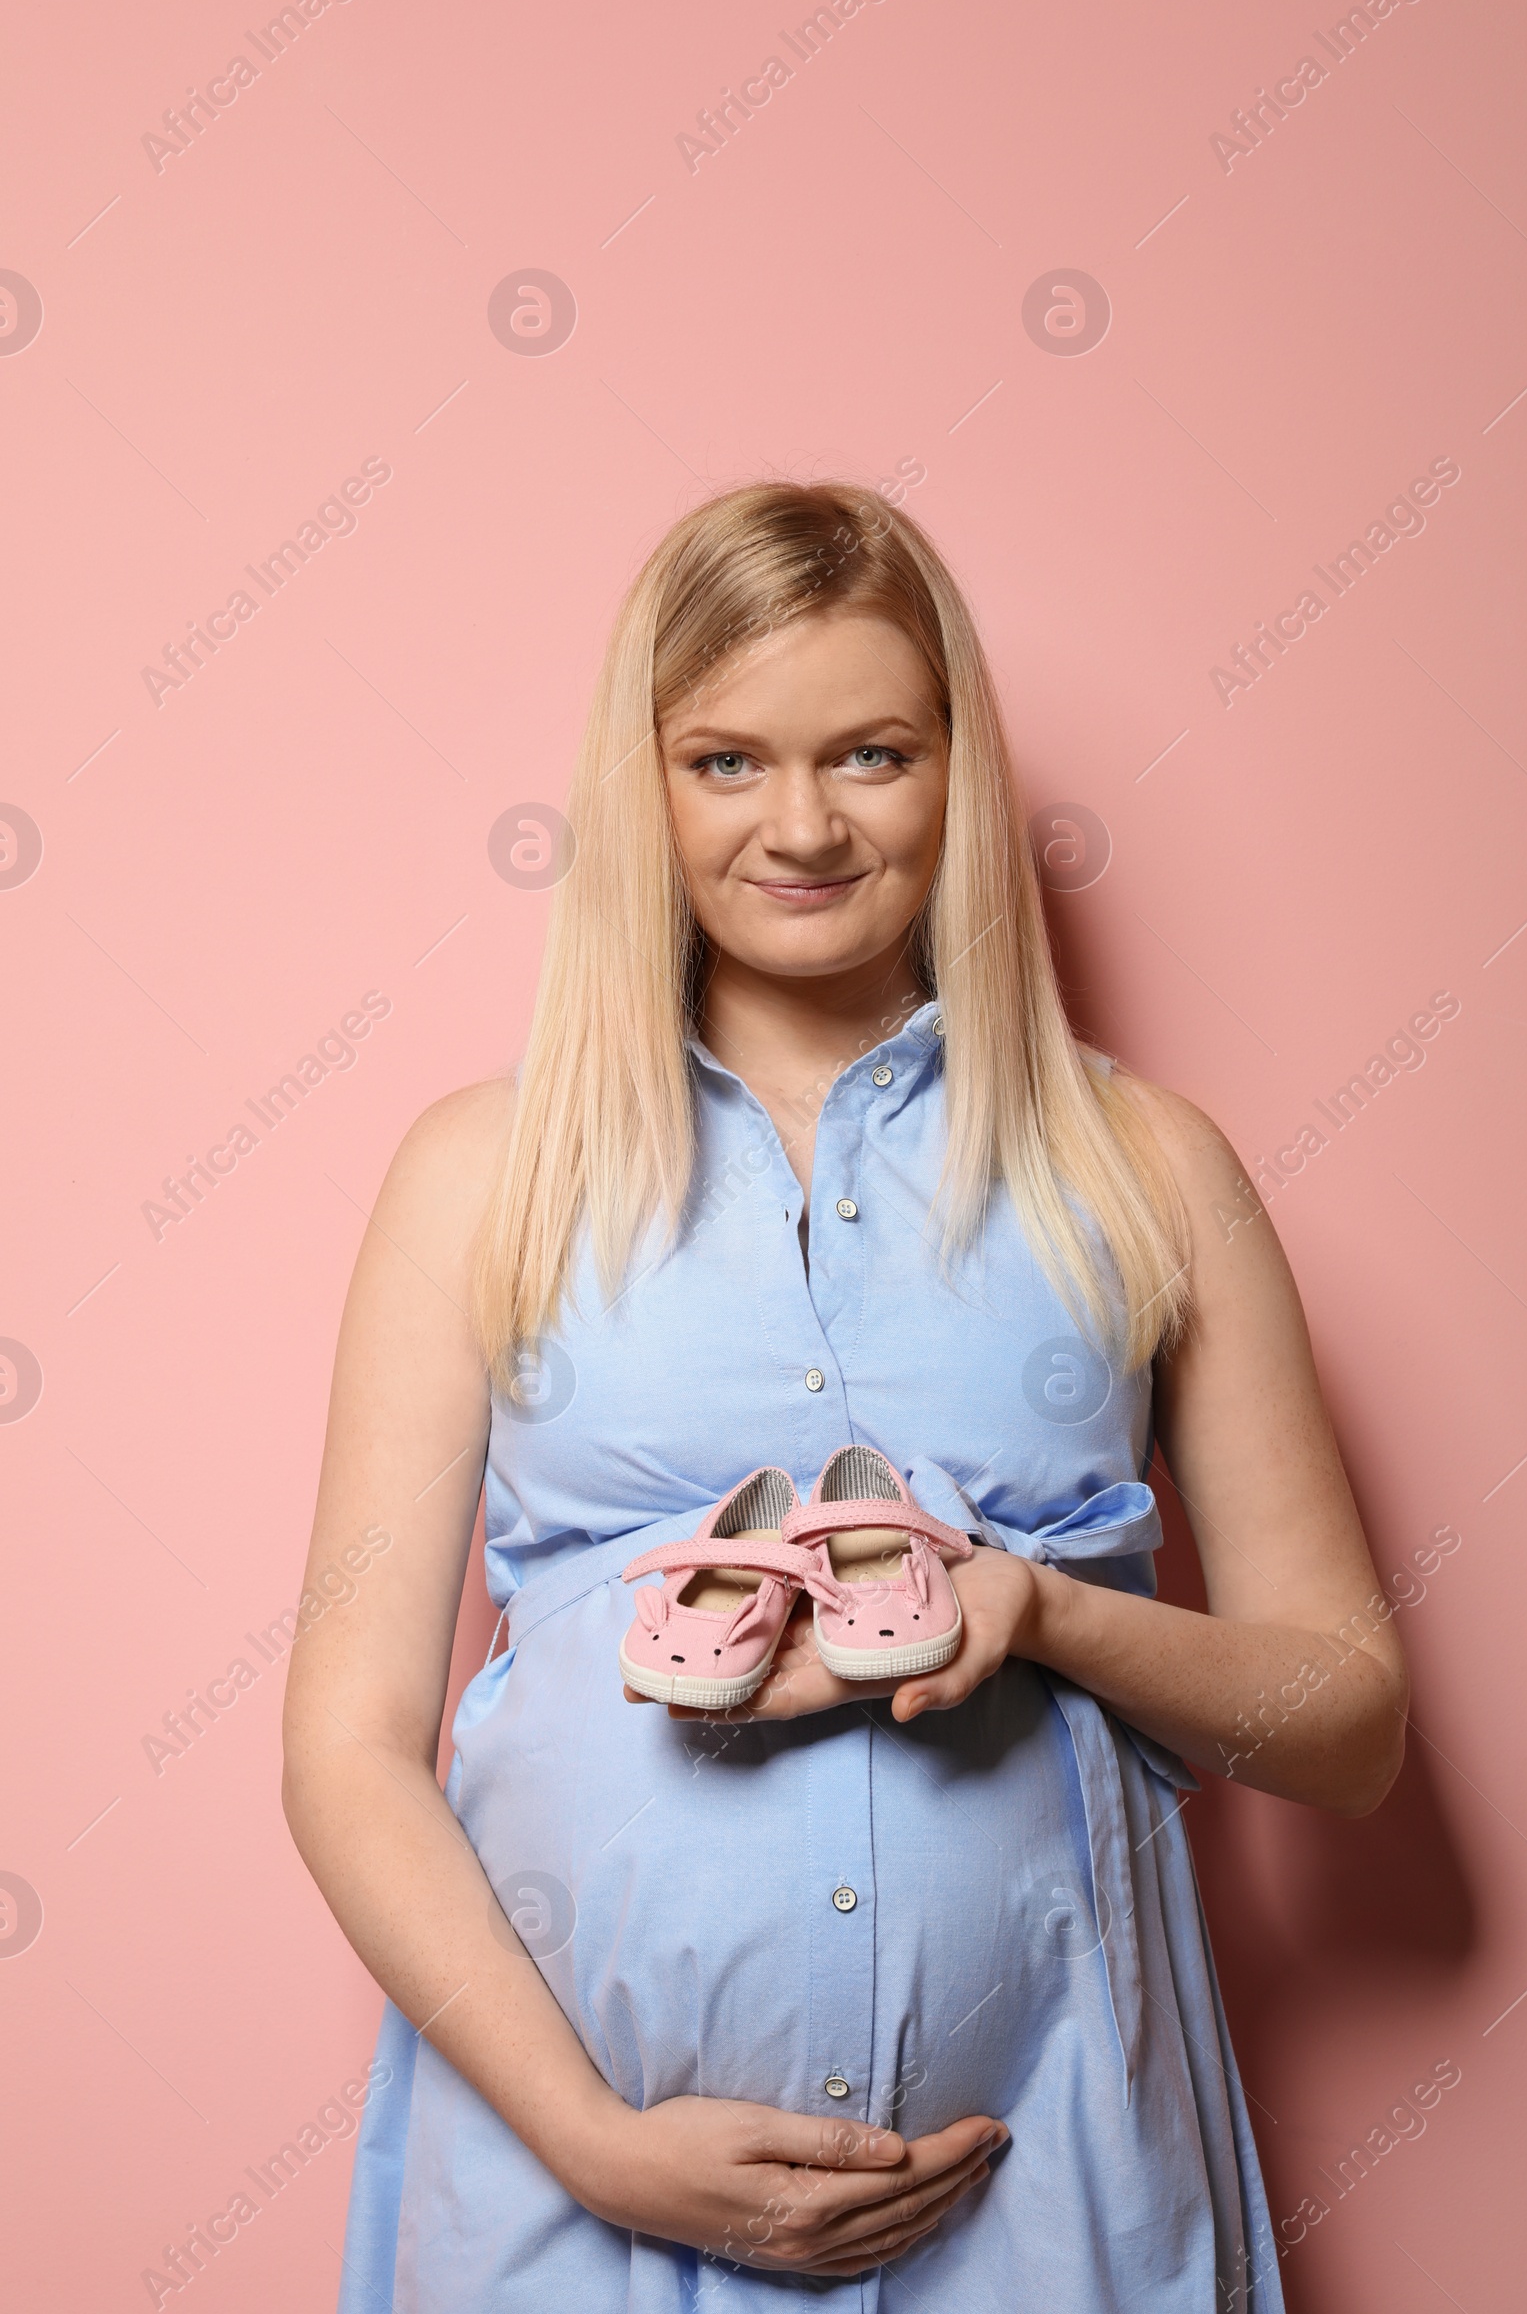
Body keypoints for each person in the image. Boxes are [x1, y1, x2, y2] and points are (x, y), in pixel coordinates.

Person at [282, 481, 1408, 2311]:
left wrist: (1042, 1610)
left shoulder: (1146, 1168)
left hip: (1052, 2204)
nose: (800, 824)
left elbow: (1346, 1727)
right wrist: (588, 2138)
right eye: (725, 761)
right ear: (643, 790)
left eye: (870, 752)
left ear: (957, 772)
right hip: (574, 2215)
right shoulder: (482, 1176)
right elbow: (346, 1746)